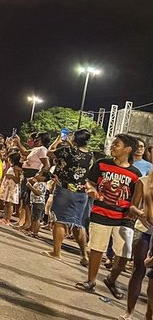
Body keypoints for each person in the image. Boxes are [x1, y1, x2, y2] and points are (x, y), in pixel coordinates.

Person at [76, 134, 142, 296]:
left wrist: (135, 212)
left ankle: (112, 279)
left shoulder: (135, 174)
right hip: (100, 213)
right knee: (97, 249)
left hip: (123, 218)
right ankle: (91, 281)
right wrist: (91, 189)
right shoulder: (101, 164)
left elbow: (136, 197)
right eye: (113, 144)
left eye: (116, 144)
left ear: (128, 149)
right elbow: (89, 182)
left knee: (124, 254)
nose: (113, 147)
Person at [44, 129, 94, 263]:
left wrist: (58, 140)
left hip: (65, 190)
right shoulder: (90, 155)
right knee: (78, 223)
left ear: (75, 138)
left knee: (60, 220)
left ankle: (56, 252)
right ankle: (84, 255)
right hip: (82, 193)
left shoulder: (67, 150)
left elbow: (49, 153)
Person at [120, 171, 153, 320]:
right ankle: (129, 311)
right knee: (139, 269)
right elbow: (132, 207)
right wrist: (141, 213)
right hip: (144, 230)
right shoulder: (144, 181)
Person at [13, 132, 50, 231]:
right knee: (25, 200)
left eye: (37, 138)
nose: (35, 140)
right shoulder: (35, 149)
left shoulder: (42, 149)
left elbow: (46, 165)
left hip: (32, 175)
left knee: (29, 201)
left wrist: (38, 176)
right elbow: (25, 152)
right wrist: (18, 142)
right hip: (27, 174)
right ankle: (26, 223)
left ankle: (29, 224)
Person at [26, 170, 50, 238]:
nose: (37, 174)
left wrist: (30, 186)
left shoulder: (42, 184)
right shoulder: (38, 183)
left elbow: (38, 193)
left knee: (37, 218)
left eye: (39, 174)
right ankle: (32, 231)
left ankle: (35, 233)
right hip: (35, 202)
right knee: (34, 217)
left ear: (43, 177)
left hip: (39, 203)